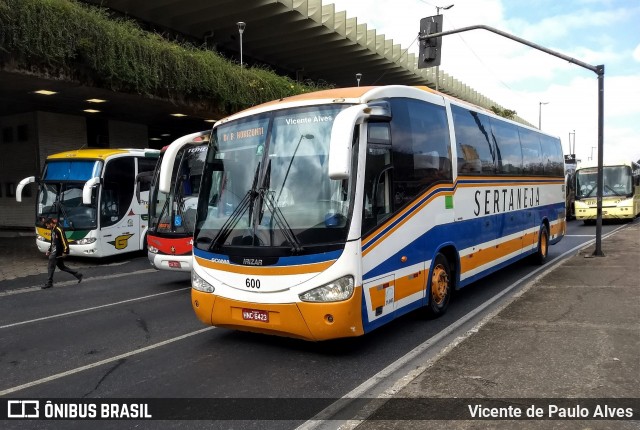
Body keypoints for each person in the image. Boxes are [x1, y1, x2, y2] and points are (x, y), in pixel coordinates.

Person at [42, 217, 83, 289]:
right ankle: (78, 274)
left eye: (47, 225)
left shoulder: (58, 230)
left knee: (50, 267)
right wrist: (49, 250)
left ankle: (49, 283)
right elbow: (53, 242)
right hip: (54, 252)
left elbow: (64, 241)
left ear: (51, 223)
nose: (47, 226)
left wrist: (65, 251)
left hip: (57, 253)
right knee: (62, 267)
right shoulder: (53, 230)